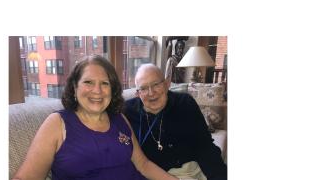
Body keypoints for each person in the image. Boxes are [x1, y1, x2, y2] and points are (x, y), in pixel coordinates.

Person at [13, 55, 178, 180]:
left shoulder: (120, 119)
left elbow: (143, 164)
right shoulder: (57, 123)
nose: (97, 91)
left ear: (112, 90)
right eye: (88, 82)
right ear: (74, 87)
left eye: (105, 83)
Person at [124, 63, 227, 180]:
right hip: (150, 175)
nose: (151, 92)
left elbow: (205, 146)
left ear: (167, 84)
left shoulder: (185, 103)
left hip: (188, 172)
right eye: (143, 88)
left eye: (156, 84)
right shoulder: (127, 112)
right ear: (137, 93)